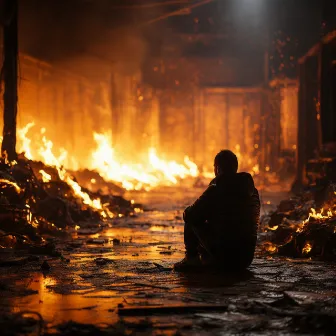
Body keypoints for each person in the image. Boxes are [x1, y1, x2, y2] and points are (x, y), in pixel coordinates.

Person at [174, 150, 260, 272]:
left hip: (224, 256)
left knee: (191, 218)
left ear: (218, 168)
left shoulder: (216, 189)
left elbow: (190, 215)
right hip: (245, 259)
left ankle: (191, 259)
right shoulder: (253, 192)